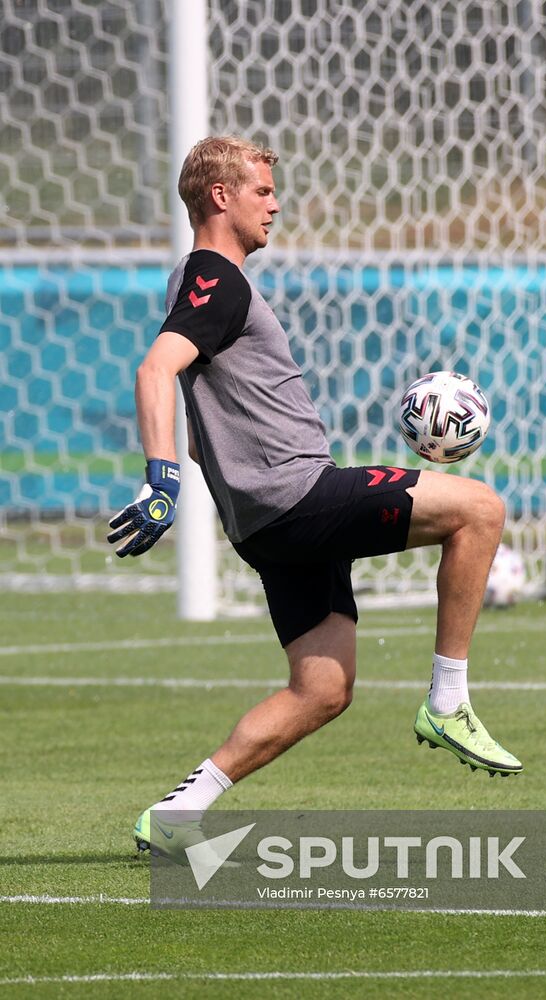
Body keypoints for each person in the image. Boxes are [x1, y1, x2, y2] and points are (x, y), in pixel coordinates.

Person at [107, 136, 522, 859]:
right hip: (298, 496)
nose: (275, 203)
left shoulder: (193, 278)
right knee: (481, 509)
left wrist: (225, 489)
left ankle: (180, 811)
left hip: (267, 523)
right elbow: (154, 369)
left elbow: (205, 426)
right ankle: (448, 701)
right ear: (220, 196)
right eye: (263, 190)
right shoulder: (216, 277)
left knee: (323, 689)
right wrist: (162, 480)